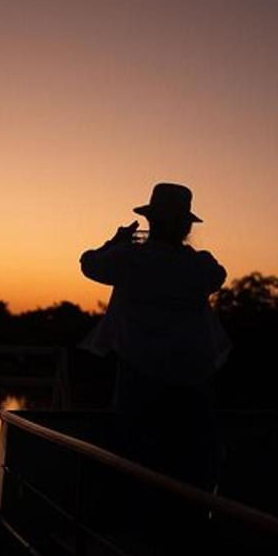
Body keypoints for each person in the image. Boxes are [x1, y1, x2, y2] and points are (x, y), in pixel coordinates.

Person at [80, 182, 229, 488]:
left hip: (138, 377)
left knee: (135, 459)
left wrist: (117, 242)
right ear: (186, 227)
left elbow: (89, 263)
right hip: (193, 380)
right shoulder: (199, 266)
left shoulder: (129, 259)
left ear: (151, 222)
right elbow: (218, 276)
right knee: (190, 464)